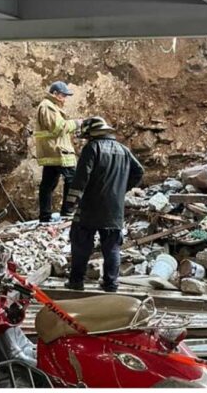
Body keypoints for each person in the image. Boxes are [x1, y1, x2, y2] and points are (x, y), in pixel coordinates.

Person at [63, 117, 144, 292]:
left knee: (81, 242)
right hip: (114, 208)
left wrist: (70, 203)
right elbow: (139, 172)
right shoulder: (123, 150)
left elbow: (81, 177)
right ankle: (111, 284)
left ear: (91, 134)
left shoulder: (92, 148)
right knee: (112, 246)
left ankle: (76, 281)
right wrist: (121, 189)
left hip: (91, 206)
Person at [34, 81, 83, 223]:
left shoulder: (50, 106)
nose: (65, 98)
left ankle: (45, 216)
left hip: (53, 151)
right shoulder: (48, 106)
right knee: (73, 179)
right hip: (57, 151)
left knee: (48, 184)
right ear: (55, 93)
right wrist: (77, 123)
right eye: (63, 95)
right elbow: (58, 128)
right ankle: (67, 211)